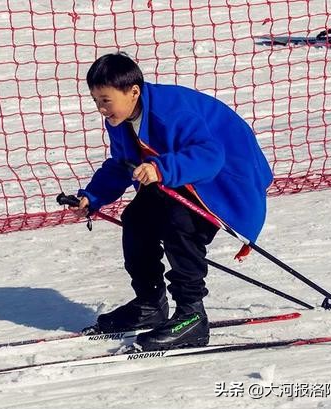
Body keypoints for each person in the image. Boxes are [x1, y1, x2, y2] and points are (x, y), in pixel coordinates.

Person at [70, 52, 273, 351]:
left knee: (179, 222)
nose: (101, 109)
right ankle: (150, 303)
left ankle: (192, 315)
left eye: (106, 100)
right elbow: (122, 164)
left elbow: (210, 155)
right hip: (183, 176)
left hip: (224, 179)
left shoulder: (170, 111)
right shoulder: (120, 119)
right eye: (96, 101)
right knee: (138, 218)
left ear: (133, 91)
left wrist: (161, 169)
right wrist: (92, 196)